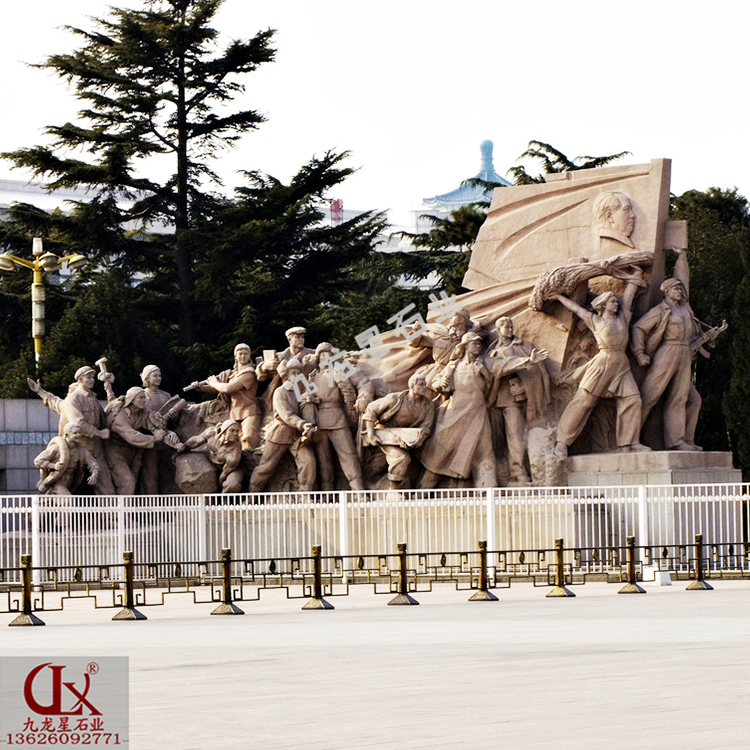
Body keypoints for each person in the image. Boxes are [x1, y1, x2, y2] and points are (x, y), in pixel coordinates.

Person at [420, 332, 546, 488]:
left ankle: (488, 490)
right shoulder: (453, 365)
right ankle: (422, 490)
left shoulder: (485, 363)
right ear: (465, 346)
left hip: (478, 414)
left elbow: (504, 364)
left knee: (485, 454)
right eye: (474, 343)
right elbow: (437, 382)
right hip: (455, 414)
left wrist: (528, 360)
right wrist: (441, 383)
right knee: (440, 454)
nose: (478, 346)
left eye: (479, 343)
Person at [552, 268, 650, 458]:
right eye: (612, 301)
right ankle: (562, 442)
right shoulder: (595, 320)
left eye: (615, 300)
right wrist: (558, 297)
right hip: (603, 363)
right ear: (603, 305)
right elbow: (576, 309)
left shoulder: (623, 317)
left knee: (633, 399)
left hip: (621, 364)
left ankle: (628, 443)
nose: (616, 303)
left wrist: (637, 275)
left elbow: (629, 296)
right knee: (584, 402)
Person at [630, 248, 715, 450]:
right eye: (676, 289)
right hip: (667, 351)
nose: (680, 291)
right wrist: (639, 353)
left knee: (680, 398)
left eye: (680, 289)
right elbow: (639, 328)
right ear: (666, 291)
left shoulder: (685, 309)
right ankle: (630, 439)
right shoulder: (660, 310)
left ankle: (677, 442)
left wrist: (708, 338)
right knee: (649, 395)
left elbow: (694, 331)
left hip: (685, 352)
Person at [29, 366, 116, 495]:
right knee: (67, 487)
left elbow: (55, 402)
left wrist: (112, 398)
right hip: (76, 450)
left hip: (96, 451)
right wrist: (99, 433)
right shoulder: (73, 399)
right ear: (80, 380)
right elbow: (78, 423)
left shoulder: (93, 398)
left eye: (92, 377)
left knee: (107, 490)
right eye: (88, 377)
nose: (92, 380)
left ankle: (109, 511)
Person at [486, 317, 550, 484]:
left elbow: (537, 373)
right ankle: (501, 475)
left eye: (511, 326)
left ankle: (519, 473)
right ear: (498, 330)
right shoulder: (492, 351)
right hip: (494, 401)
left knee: (516, 438)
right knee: (497, 441)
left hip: (514, 401)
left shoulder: (525, 347)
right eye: (505, 327)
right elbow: (494, 370)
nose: (509, 329)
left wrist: (524, 386)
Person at [249, 359, 318, 492]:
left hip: (297, 435)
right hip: (280, 433)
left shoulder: (298, 393)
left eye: (298, 373)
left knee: (308, 463)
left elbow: (304, 410)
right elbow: (287, 415)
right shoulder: (280, 392)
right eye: (293, 373)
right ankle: (251, 496)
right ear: (286, 376)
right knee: (265, 467)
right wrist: (302, 424)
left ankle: (305, 495)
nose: (296, 376)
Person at [307, 342, 365, 491]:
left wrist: (352, 416)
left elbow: (348, 394)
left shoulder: (337, 372)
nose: (325, 359)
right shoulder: (313, 377)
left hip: (337, 419)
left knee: (348, 456)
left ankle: (359, 491)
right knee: (324, 462)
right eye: (322, 356)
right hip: (319, 421)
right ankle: (328, 495)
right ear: (318, 358)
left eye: (328, 356)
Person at [362, 372, 435, 490]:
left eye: (425, 384)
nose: (424, 387)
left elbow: (426, 427)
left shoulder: (428, 406)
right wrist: (371, 434)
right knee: (401, 458)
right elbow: (371, 409)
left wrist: (419, 439)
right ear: (412, 386)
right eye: (421, 384)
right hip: (385, 435)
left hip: (408, 439)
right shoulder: (394, 399)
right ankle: (393, 490)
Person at [189, 343, 261, 451]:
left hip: (249, 412)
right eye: (240, 353)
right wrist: (201, 387)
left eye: (246, 354)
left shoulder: (248, 374)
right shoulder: (233, 374)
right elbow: (220, 388)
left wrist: (214, 383)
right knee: (232, 442)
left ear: (249, 355)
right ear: (235, 356)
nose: (243, 356)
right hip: (235, 413)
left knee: (248, 439)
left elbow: (229, 388)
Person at [106, 386, 169, 495]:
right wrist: (154, 439)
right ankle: (121, 507)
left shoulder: (142, 411)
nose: (144, 400)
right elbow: (132, 436)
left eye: (144, 398)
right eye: (140, 398)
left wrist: (165, 433)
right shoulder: (119, 416)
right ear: (131, 400)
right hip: (115, 454)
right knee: (127, 482)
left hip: (131, 453)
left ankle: (128, 506)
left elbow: (152, 423)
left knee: (133, 483)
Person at [34, 421, 99, 495]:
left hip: (70, 483)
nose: (78, 435)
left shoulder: (81, 450)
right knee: (67, 500)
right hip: (56, 482)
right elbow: (37, 461)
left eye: (79, 433)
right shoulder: (56, 448)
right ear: (67, 435)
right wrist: (53, 466)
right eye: (75, 433)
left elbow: (92, 463)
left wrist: (94, 474)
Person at [183, 419, 245, 494]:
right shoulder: (211, 433)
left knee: (232, 485)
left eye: (237, 431)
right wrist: (183, 447)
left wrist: (218, 488)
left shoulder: (235, 451)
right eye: (232, 430)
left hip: (230, 470)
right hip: (211, 463)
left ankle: (223, 499)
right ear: (224, 431)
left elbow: (224, 473)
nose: (235, 434)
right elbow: (195, 441)